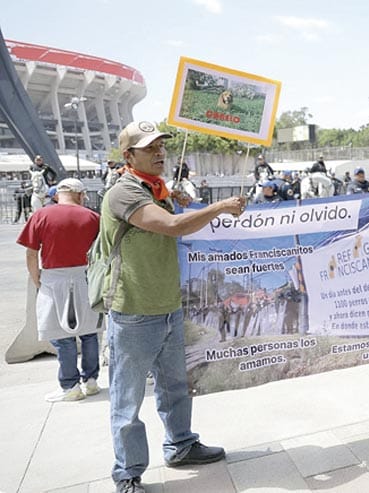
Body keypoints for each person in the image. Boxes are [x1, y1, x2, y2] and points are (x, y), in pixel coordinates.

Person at [99, 121, 245, 493]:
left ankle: (181, 445)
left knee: (176, 386)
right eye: (150, 148)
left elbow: (173, 217)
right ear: (128, 155)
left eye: (161, 146)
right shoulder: (124, 192)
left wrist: (179, 199)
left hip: (167, 305)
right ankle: (127, 473)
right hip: (134, 310)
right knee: (127, 398)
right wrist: (219, 207)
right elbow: (173, 226)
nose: (160, 152)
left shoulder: (155, 189)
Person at [16, 178, 101, 402]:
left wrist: (36, 278)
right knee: (89, 331)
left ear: (57, 195)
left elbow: (31, 253)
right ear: (80, 195)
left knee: (61, 335)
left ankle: (70, 385)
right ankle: (91, 380)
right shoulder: (93, 217)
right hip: (85, 275)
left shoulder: (41, 215)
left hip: (54, 278)